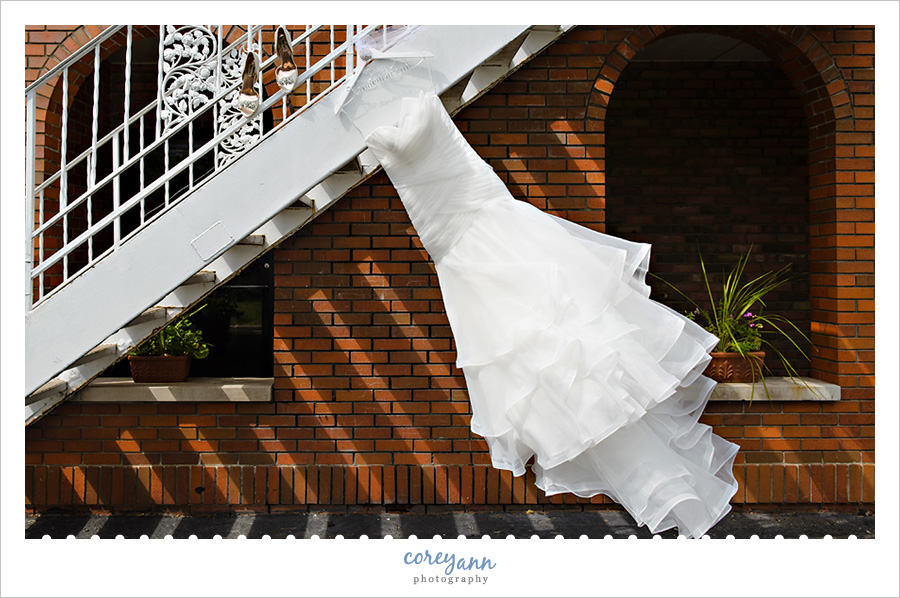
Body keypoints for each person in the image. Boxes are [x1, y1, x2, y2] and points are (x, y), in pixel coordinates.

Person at [363, 91, 739, 538]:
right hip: (454, 251)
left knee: (556, 336)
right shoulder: (389, 103)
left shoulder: (419, 93)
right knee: (528, 354)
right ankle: (637, 470)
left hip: (490, 219)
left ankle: (657, 478)